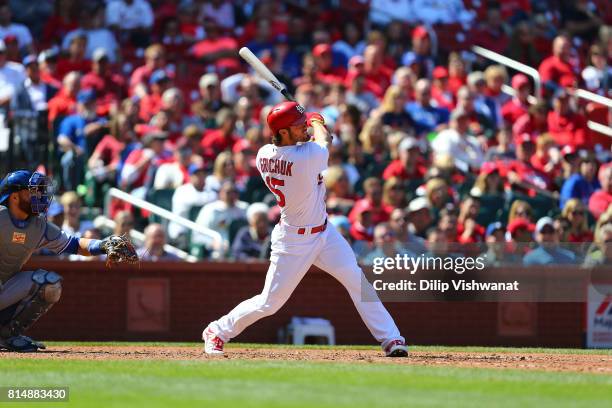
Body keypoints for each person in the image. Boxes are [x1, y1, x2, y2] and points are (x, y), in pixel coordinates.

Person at [202, 101, 407, 357]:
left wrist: (304, 121)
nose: (304, 130)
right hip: (293, 240)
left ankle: (391, 338)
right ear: (284, 133)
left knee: (357, 281)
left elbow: (315, 140)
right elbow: (324, 138)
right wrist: (316, 119)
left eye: (303, 125)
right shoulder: (305, 156)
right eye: (298, 127)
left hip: (324, 232)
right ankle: (218, 330)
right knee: (270, 302)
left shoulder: (264, 153)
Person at [0, 170, 135, 352]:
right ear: (14, 197)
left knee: (49, 284)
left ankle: (7, 336)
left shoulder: (38, 226)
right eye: (32, 191)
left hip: (5, 286)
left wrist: (104, 244)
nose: (39, 195)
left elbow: (75, 244)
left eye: (39, 190)